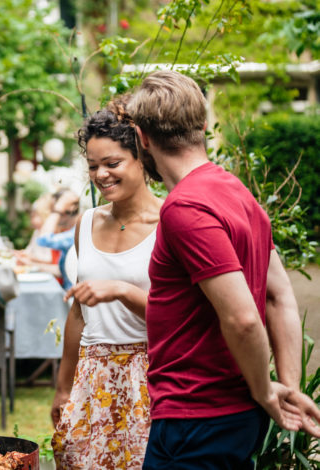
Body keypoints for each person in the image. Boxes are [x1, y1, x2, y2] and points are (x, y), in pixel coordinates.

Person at [127, 70, 320, 469]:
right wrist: (288, 384)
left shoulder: (185, 208)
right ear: (202, 125)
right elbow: (278, 294)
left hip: (196, 418)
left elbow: (244, 318)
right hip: (222, 417)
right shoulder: (237, 192)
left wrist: (268, 391)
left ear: (142, 137)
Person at [49, 97, 163, 469]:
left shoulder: (169, 222)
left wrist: (123, 292)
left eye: (113, 163)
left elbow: (182, 315)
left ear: (142, 158)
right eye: (93, 166)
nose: (101, 175)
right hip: (92, 374)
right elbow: (79, 314)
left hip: (149, 377)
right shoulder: (88, 222)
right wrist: (64, 387)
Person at [35, 188, 81, 290]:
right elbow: (63, 271)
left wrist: (58, 209)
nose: (51, 215)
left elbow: (43, 240)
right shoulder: (71, 232)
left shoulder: (76, 233)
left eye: (53, 210)